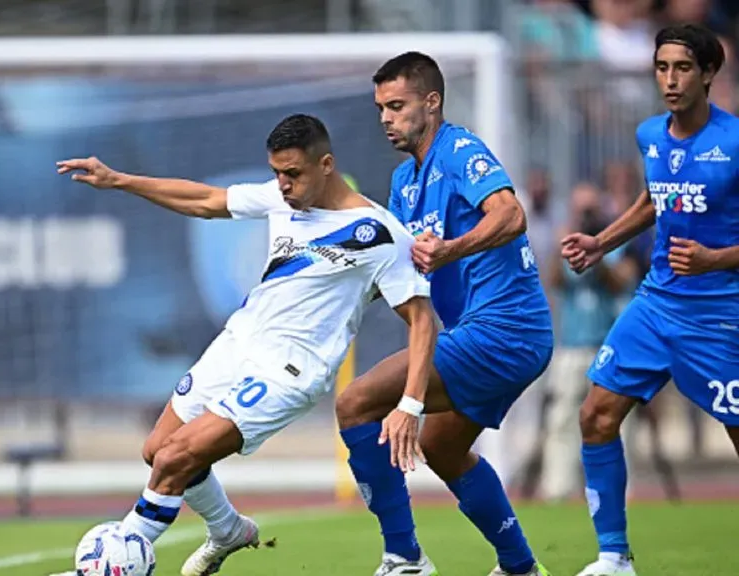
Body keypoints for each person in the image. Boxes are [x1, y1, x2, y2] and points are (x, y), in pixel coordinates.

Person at [56, 114, 439, 576]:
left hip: (289, 370)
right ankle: (227, 529)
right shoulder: (282, 200)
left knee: (178, 458)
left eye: (293, 173)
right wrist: (120, 180)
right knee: (158, 450)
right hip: (237, 343)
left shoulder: (379, 234)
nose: (283, 184)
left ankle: (116, 561)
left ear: (326, 165)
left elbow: (421, 320)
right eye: (277, 173)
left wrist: (411, 405)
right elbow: (203, 200)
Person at [333, 52, 554, 576]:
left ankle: (404, 558)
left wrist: (451, 248)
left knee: (356, 403)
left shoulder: (460, 149)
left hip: (505, 330)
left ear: (431, 103)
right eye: (381, 108)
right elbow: (404, 273)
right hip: (489, 337)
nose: (386, 118)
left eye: (397, 105)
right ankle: (522, 567)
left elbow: (511, 214)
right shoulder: (403, 184)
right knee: (441, 447)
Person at [561, 24, 739, 576]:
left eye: (683, 68)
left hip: (719, 314)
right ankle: (614, 557)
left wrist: (715, 259)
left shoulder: (735, 143)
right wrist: (600, 242)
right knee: (595, 415)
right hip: (656, 304)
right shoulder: (650, 135)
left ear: (708, 73)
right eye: (662, 67)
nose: (670, 78)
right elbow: (651, 201)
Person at [540, 182, 637, 502]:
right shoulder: (568, 244)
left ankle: (618, 492)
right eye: (582, 210)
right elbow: (553, 282)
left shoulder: (619, 245)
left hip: (608, 347)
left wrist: (599, 252)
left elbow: (621, 282)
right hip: (572, 345)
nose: (586, 216)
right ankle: (556, 490)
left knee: (615, 421)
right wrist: (560, 249)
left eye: (591, 210)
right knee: (562, 420)